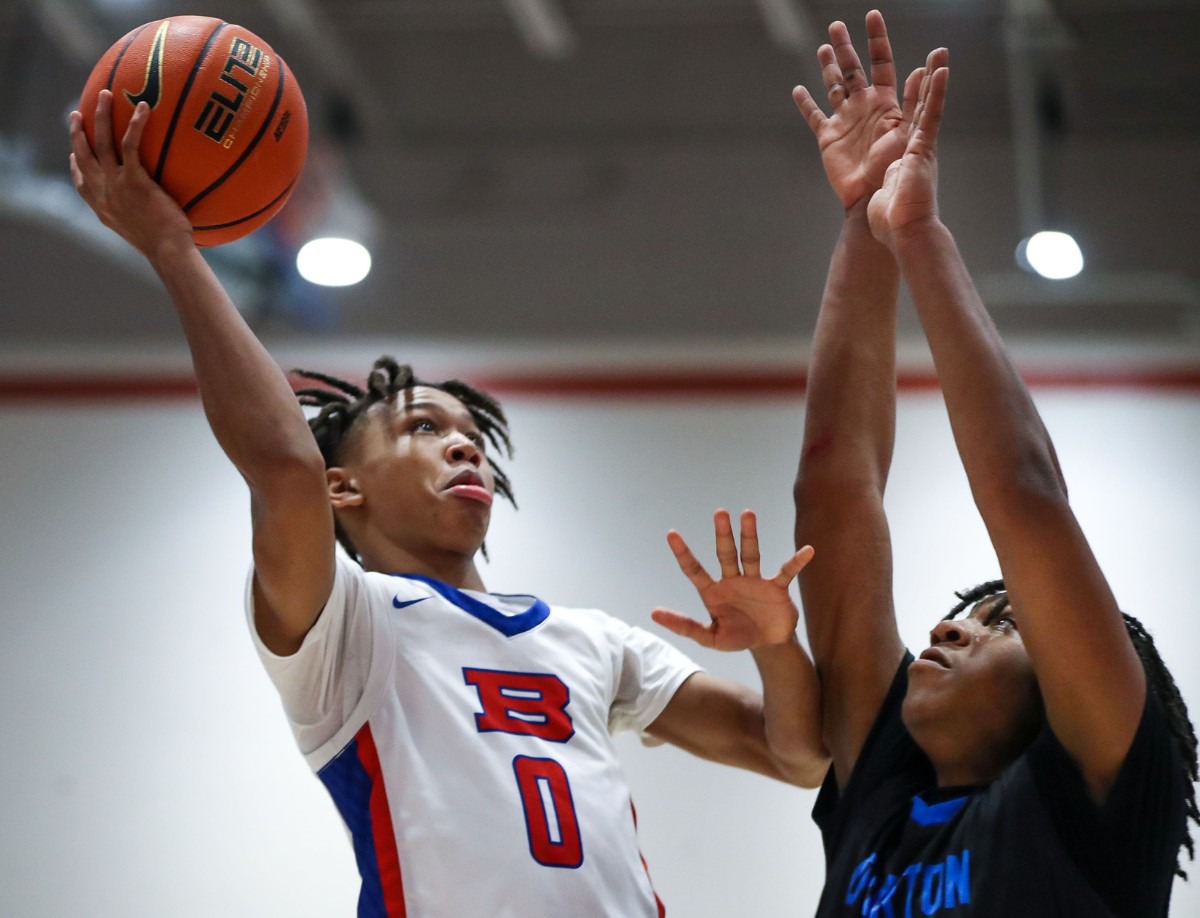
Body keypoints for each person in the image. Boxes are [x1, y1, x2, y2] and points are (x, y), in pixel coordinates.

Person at [67, 90, 828, 917]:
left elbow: (796, 757)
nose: (464, 446)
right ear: (342, 489)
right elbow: (282, 466)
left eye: (473, 435)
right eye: (423, 428)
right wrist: (176, 250)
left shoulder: (592, 641)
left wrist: (777, 646)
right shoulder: (344, 628)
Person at [787, 10, 1198, 915]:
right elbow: (833, 489)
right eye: (965, 613)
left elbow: (1025, 496)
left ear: (1067, 683)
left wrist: (921, 238)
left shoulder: (1098, 789)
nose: (952, 629)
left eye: (1001, 621)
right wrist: (863, 219)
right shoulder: (883, 793)